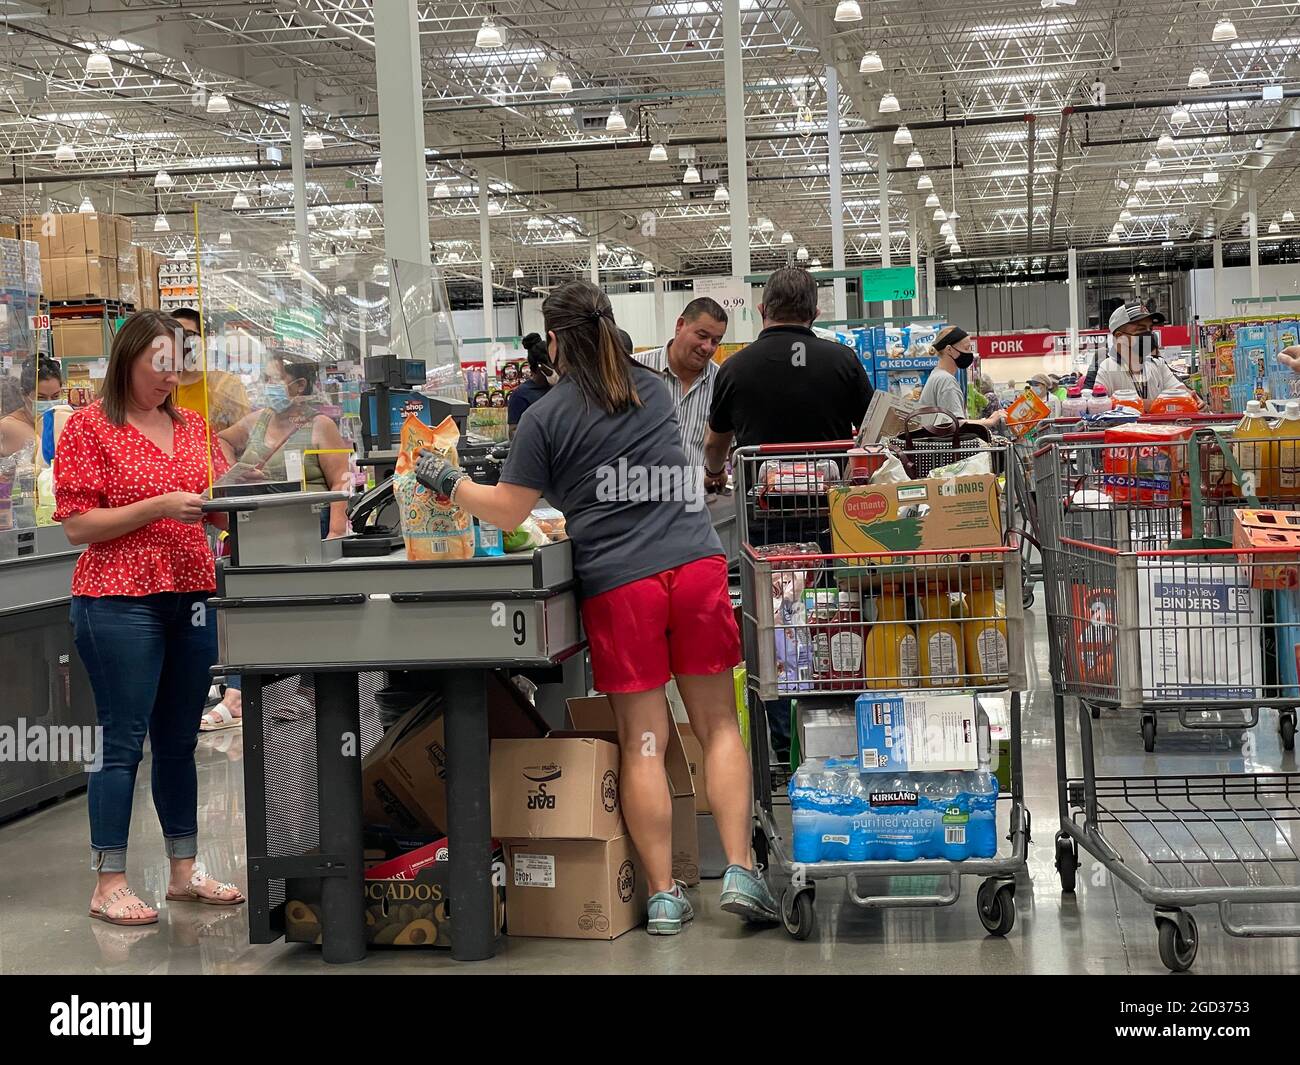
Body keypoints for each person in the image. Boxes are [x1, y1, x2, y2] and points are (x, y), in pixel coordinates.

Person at [414, 279, 778, 935]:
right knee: (718, 726)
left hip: (622, 584)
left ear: (553, 340)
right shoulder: (653, 387)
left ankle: (665, 895)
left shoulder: (546, 417)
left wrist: (452, 481)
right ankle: (743, 869)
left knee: (645, 740)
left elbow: (510, 510)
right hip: (694, 567)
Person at [53, 310, 245, 927]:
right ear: (127, 359)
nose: (169, 378)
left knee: (179, 741)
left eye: (177, 365)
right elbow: (80, 525)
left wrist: (239, 510)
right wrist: (159, 505)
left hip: (190, 595)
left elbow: (215, 508)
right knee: (121, 741)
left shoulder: (194, 429)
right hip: (117, 600)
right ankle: (108, 880)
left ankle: (184, 871)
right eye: (157, 364)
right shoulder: (89, 428)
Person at [702, 267, 873, 763]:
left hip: (765, 526)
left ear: (761, 311)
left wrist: (715, 474)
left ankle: (783, 742)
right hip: (833, 524)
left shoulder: (735, 368)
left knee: (775, 628)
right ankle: (839, 734)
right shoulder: (842, 361)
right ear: (816, 312)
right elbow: (870, 432)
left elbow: (716, 444)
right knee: (836, 617)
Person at [207, 353, 353, 730]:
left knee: (309, 613)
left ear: (299, 386)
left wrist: (335, 535)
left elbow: (340, 481)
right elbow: (221, 440)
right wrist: (234, 473)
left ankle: (309, 691)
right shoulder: (256, 422)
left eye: (274, 377)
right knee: (249, 613)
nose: (267, 385)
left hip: (306, 531)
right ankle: (238, 694)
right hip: (255, 532)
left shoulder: (321, 427)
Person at [634, 297, 728, 470]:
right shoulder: (635, 370)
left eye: (715, 341)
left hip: (696, 493)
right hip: (640, 491)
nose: (707, 347)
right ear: (680, 325)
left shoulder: (722, 383)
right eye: (702, 336)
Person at [168, 307, 250, 435]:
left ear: (204, 342)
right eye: (174, 335)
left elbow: (244, 436)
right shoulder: (160, 387)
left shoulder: (228, 385)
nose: (182, 342)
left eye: (189, 335)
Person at [1091, 300, 1183, 402]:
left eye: (1150, 329)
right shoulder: (1107, 369)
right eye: (1141, 330)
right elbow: (1097, 406)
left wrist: (1195, 401)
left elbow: (1182, 393)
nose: (1148, 334)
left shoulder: (1157, 364)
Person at [919, 326, 1006, 429]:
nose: (969, 353)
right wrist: (989, 421)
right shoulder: (946, 380)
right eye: (966, 348)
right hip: (945, 444)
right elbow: (955, 425)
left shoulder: (937, 375)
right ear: (949, 350)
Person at [0, 355, 63, 458]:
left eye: (55, 396)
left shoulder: (47, 421)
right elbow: (47, 460)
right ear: (23, 394)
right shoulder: (10, 426)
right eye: (41, 398)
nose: (50, 403)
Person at [507, 332, 558, 436]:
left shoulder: (559, 389)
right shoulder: (521, 395)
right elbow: (513, 432)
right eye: (551, 367)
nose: (555, 371)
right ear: (539, 367)